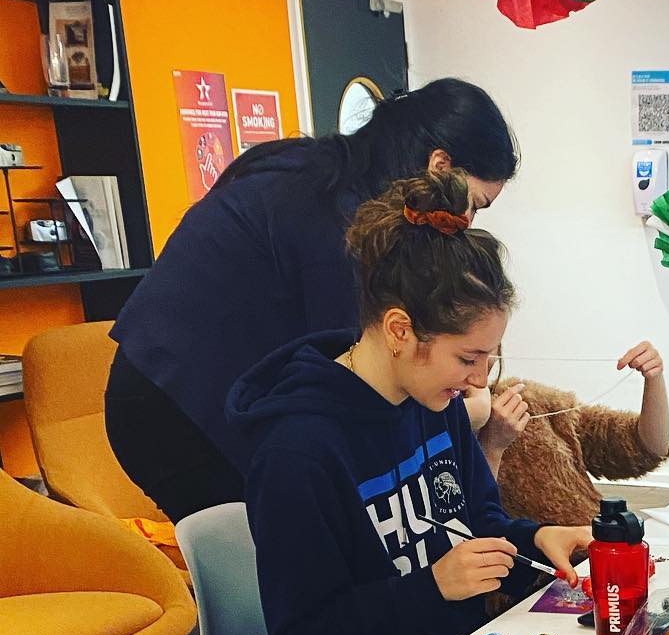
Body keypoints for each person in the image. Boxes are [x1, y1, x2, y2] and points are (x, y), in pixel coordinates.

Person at [230, 169, 590, 635]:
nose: (480, 380)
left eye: (489, 359)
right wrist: (432, 588)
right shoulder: (298, 453)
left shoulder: (433, 397)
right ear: (400, 329)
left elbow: (475, 522)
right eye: (468, 358)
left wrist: (532, 538)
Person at [106, 78, 520, 523]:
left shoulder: (326, 174)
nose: (466, 221)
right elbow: (351, 373)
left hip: (200, 379)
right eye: (473, 203)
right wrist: (465, 416)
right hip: (171, 404)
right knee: (272, 549)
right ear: (439, 165)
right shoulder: (334, 219)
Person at [469, 344, 669, 526]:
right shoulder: (443, 428)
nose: (481, 367)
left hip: (596, 552)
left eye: (490, 347)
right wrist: (492, 444)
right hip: (543, 564)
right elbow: (474, 522)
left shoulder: (528, 403)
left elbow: (645, 450)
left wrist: (654, 378)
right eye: (469, 355)